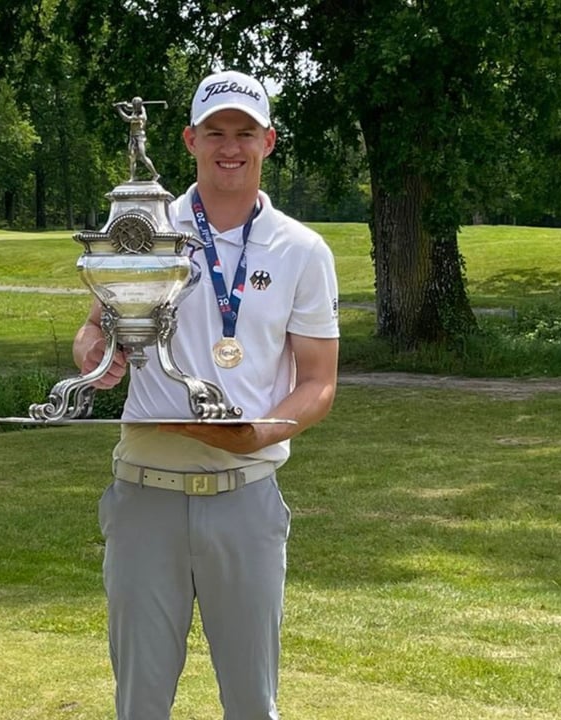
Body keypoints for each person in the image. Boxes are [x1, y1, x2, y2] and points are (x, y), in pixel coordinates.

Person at [72, 69, 341, 720]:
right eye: (215, 131)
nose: (230, 146)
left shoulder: (303, 251)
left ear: (269, 142)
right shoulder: (140, 228)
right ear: (190, 139)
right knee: (140, 705)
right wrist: (93, 355)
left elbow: (319, 382)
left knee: (252, 705)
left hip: (245, 501)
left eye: (245, 132)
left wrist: (264, 431)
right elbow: (94, 327)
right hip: (143, 498)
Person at [114, 96, 160, 182]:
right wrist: (124, 105)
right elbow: (129, 108)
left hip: (140, 137)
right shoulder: (136, 110)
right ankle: (132, 177)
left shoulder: (141, 116)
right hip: (132, 137)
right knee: (132, 157)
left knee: (143, 156)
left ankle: (155, 174)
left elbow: (126, 118)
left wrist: (119, 109)